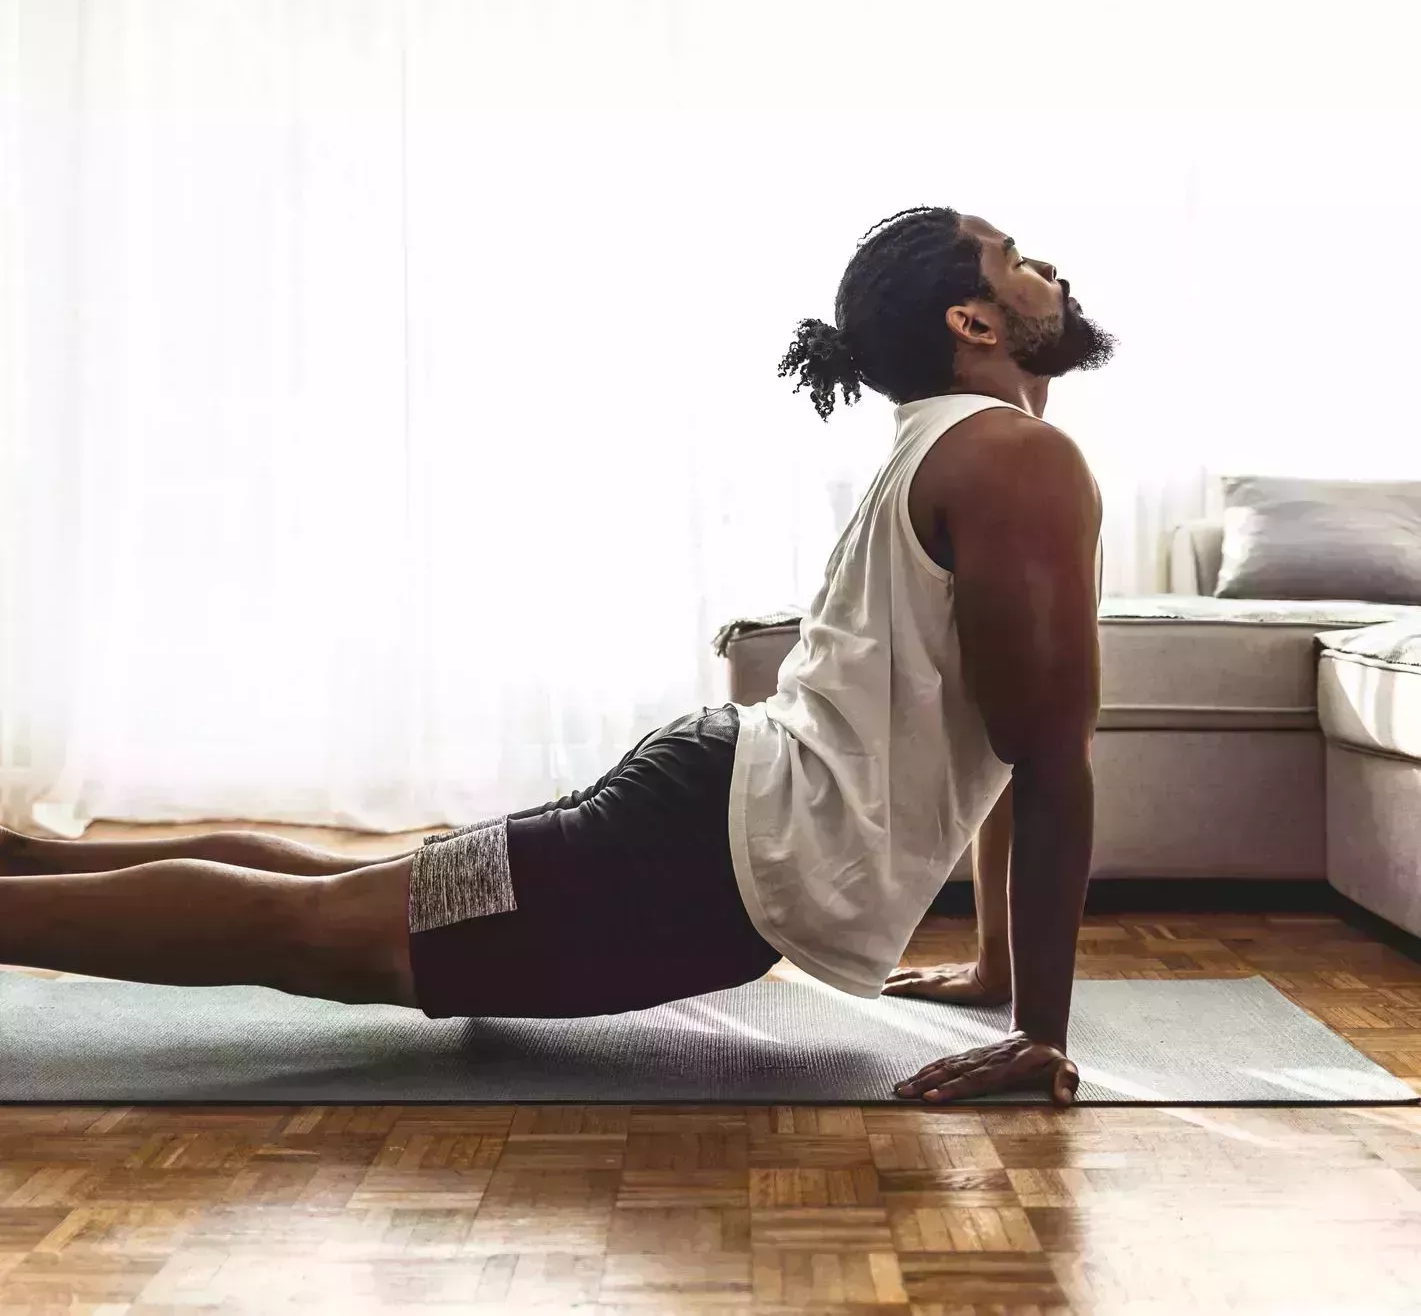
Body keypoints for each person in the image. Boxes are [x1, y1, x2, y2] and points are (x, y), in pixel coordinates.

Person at [0, 205, 1116, 1106]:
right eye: (1014, 259)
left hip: (706, 817)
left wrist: (998, 976)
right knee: (316, 936)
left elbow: (1009, 740)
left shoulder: (961, 448)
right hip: (698, 862)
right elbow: (1049, 761)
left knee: (344, 894)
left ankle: (22, 857)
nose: (1044, 269)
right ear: (971, 321)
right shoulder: (1016, 461)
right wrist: (1039, 1034)